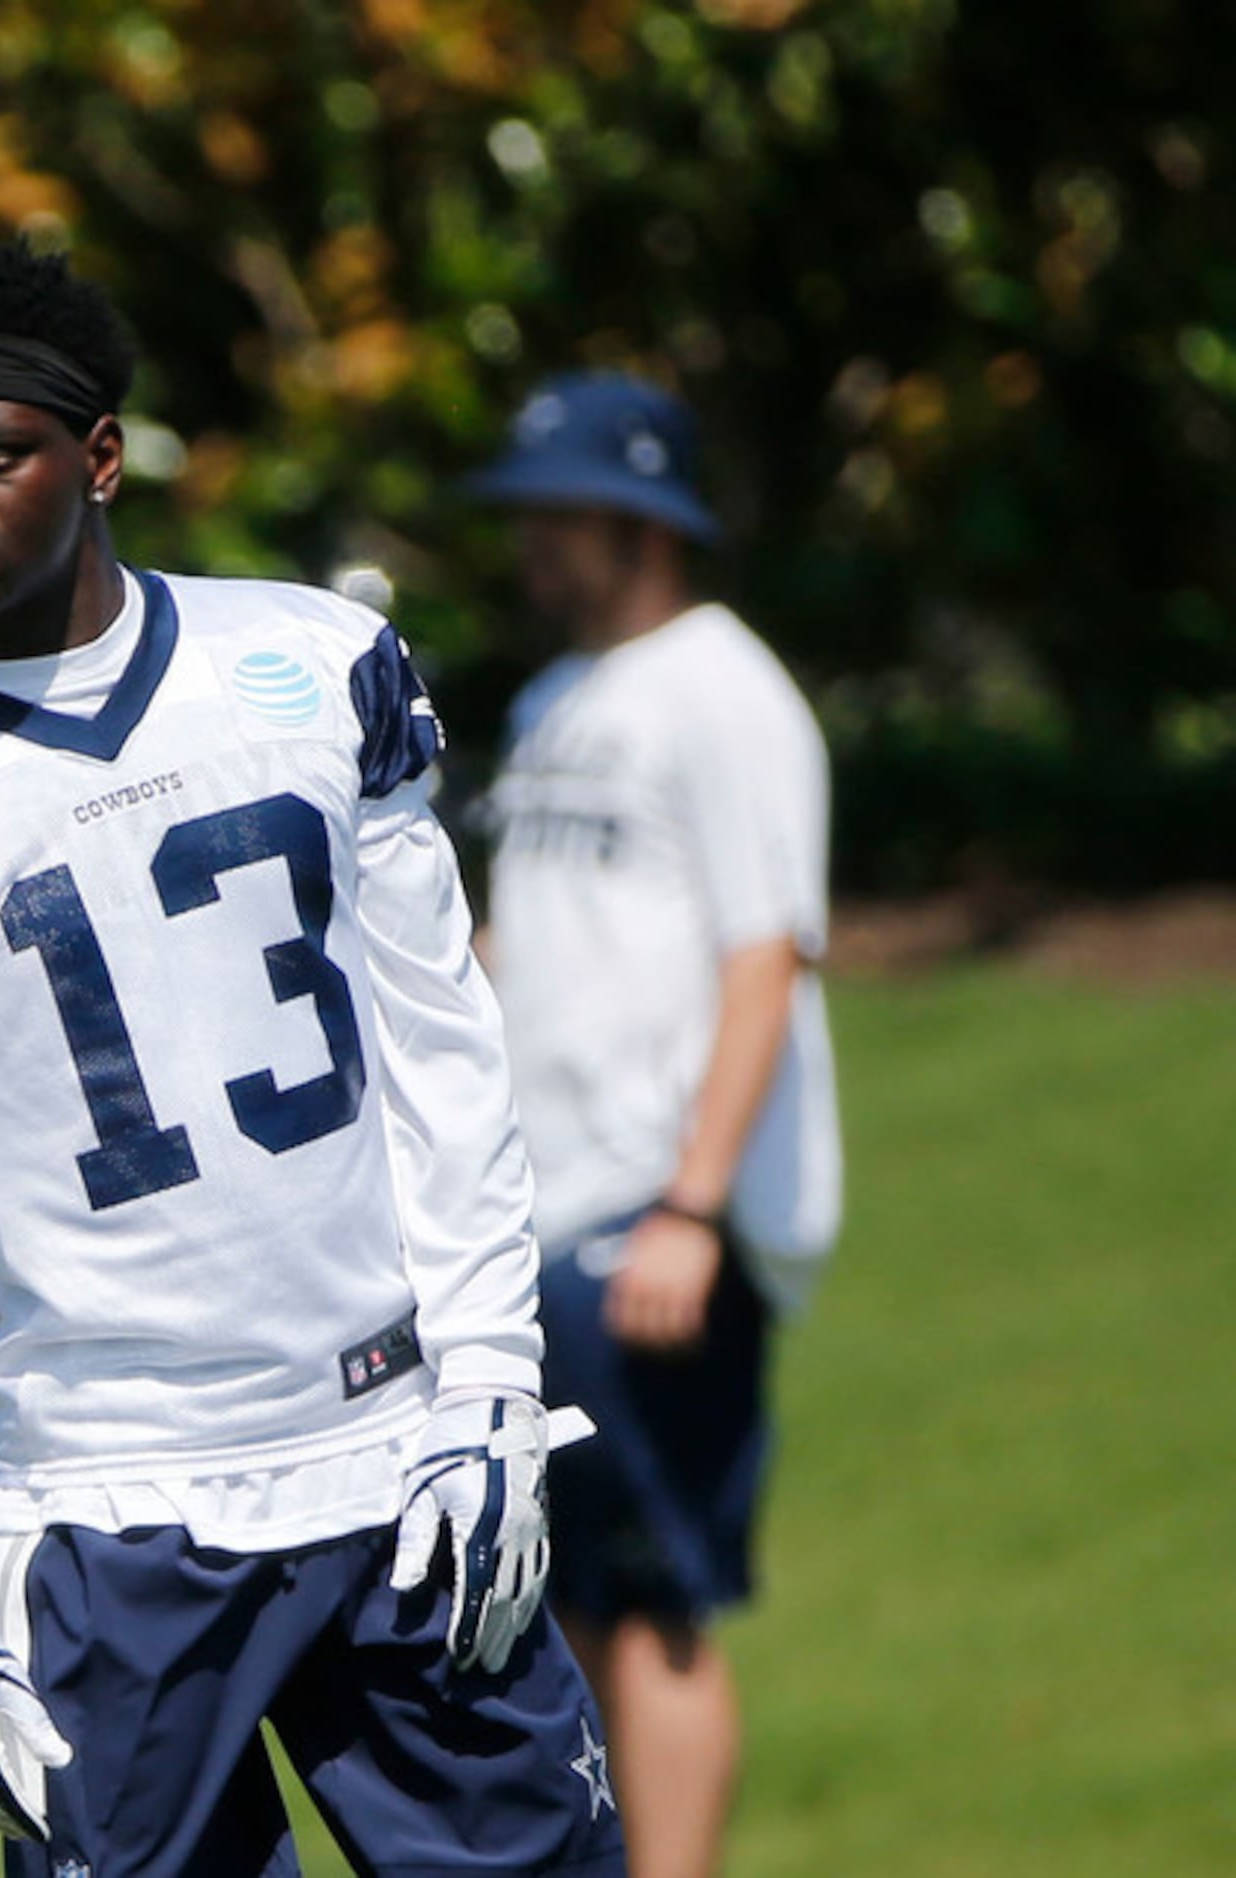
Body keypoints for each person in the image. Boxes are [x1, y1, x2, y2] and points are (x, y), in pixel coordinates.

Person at [0, 242, 625, 1877]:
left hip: (403, 1447)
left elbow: (442, 1047)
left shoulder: (316, 661)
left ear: (101, 454)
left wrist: (494, 1366)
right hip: (114, 1509)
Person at [467, 372, 841, 1878]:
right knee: (556, 1593)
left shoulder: (726, 692)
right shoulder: (560, 702)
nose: (533, 546)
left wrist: (692, 1204)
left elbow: (767, 956)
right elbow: (524, 944)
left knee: (658, 1594)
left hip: (658, 1217)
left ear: (642, 517)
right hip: (539, 1214)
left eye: (560, 514)